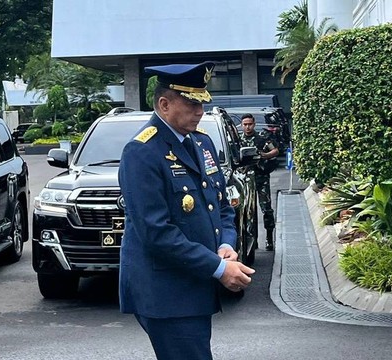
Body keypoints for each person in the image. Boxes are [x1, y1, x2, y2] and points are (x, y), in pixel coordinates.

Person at [118, 61, 256, 360]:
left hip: (193, 283)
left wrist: (225, 245)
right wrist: (218, 269)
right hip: (166, 291)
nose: (199, 111)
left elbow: (220, 205)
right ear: (164, 104)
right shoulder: (142, 152)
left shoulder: (201, 143)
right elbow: (156, 232)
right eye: (191, 102)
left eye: (202, 102)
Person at [239, 113, 279, 251]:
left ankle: (269, 238)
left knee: (266, 209)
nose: (247, 127)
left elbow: (275, 150)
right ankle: (252, 239)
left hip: (261, 178)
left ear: (254, 124)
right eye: (245, 124)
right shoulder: (238, 140)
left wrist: (264, 155)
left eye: (250, 124)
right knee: (249, 211)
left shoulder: (261, 138)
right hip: (245, 178)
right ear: (241, 125)